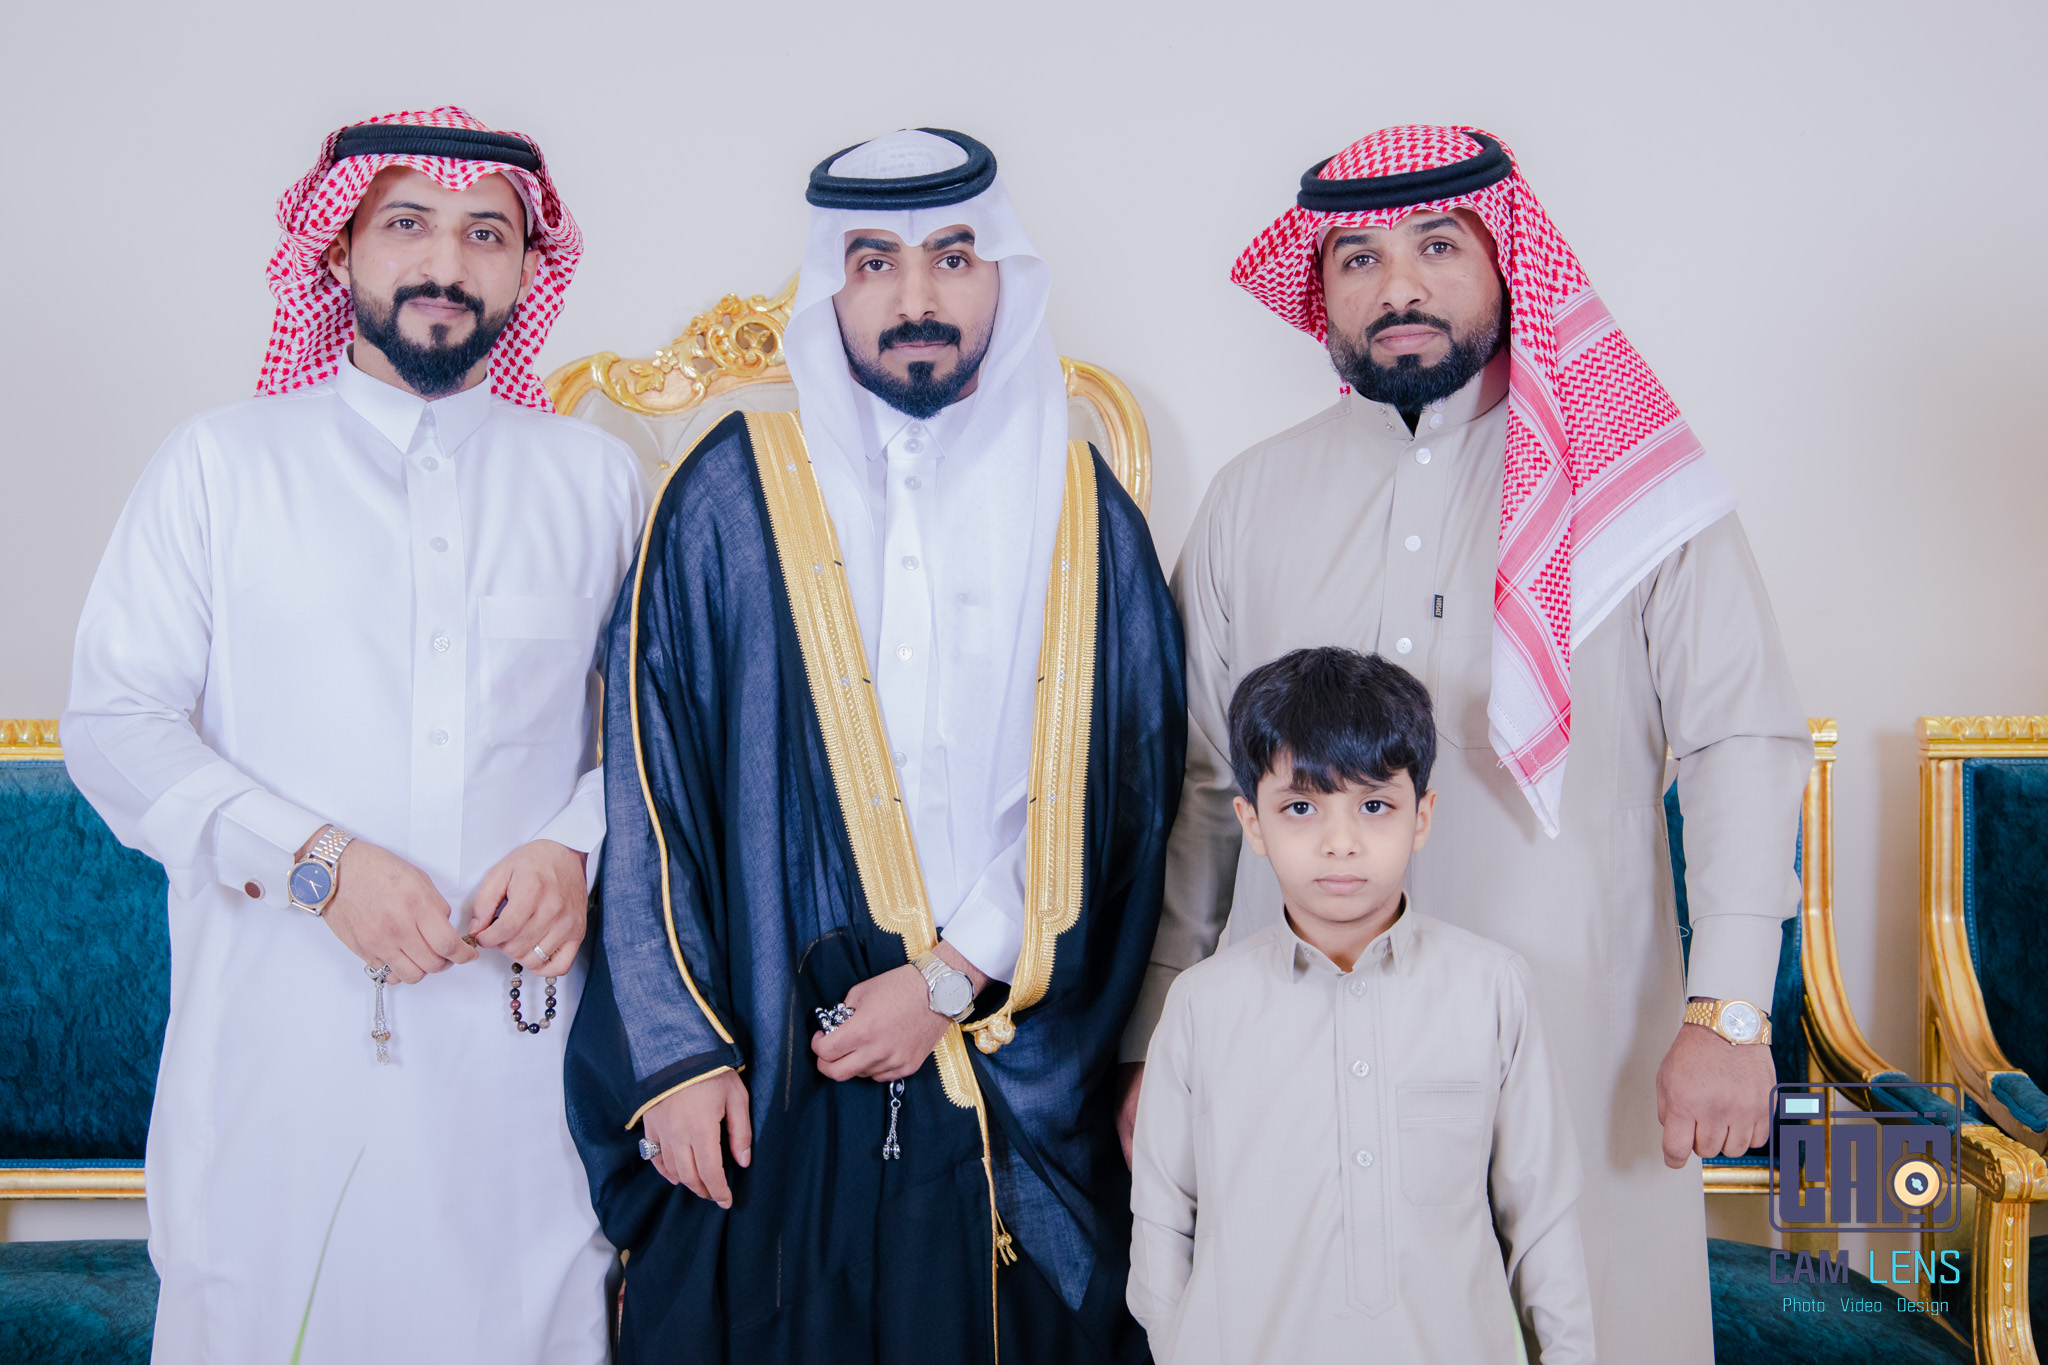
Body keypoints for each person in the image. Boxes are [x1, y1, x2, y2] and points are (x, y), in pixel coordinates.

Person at [1119, 125, 1811, 1362]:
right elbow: (1201, 793)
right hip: (1289, 1046)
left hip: (1573, 1022)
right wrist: (1154, 1040)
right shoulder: (1246, 501)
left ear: (1508, 263)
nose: (1397, 286)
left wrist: (1727, 1016)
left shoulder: (1634, 489)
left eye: (1437, 246)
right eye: (1357, 259)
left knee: (1588, 1322)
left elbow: (1737, 743)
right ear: (1319, 291)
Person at [563, 128, 1185, 1364]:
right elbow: (648, 779)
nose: (913, 299)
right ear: (828, 290)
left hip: (1004, 1049)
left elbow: (1125, 790)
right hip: (772, 1063)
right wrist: (677, 1058)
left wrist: (950, 977)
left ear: (1001, 277)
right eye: (872, 264)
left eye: (951, 257)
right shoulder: (727, 495)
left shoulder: (1082, 512)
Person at [62, 107, 647, 1363]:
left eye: (485, 235)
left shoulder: (595, 482)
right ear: (336, 250)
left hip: (518, 1059)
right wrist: (315, 863)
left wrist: (576, 845)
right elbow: (115, 725)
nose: (446, 263)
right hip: (280, 1044)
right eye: (407, 224)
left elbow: (659, 733)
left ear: (528, 269)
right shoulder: (220, 467)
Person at [1129, 646, 1594, 1363]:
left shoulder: (1493, 989)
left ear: (1422, 816)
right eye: (1301, 807)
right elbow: (1161, 1230)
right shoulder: (1200, 1006)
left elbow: (1544, 1227)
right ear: (1253, 822)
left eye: (1374, 805)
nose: (1341, 842)